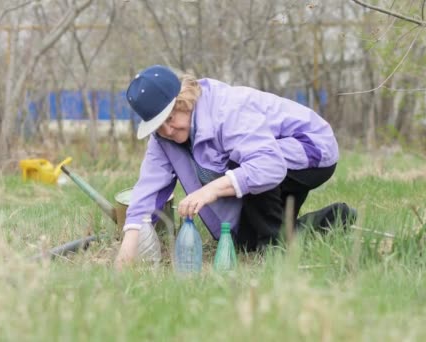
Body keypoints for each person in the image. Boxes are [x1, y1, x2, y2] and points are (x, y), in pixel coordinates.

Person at [115, 64, 355, 269]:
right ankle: (335, 218)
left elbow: (267, 165)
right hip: (267, 161)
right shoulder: (163, 139)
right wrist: (130, 239)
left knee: (253, 178)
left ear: (183, 100)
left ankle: (274, 248)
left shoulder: (225, 110)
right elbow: (150, 187)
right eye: (159, 125)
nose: (168, 131)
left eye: (170, 118)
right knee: (243, 243)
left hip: (310, 148)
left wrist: (210, 190)